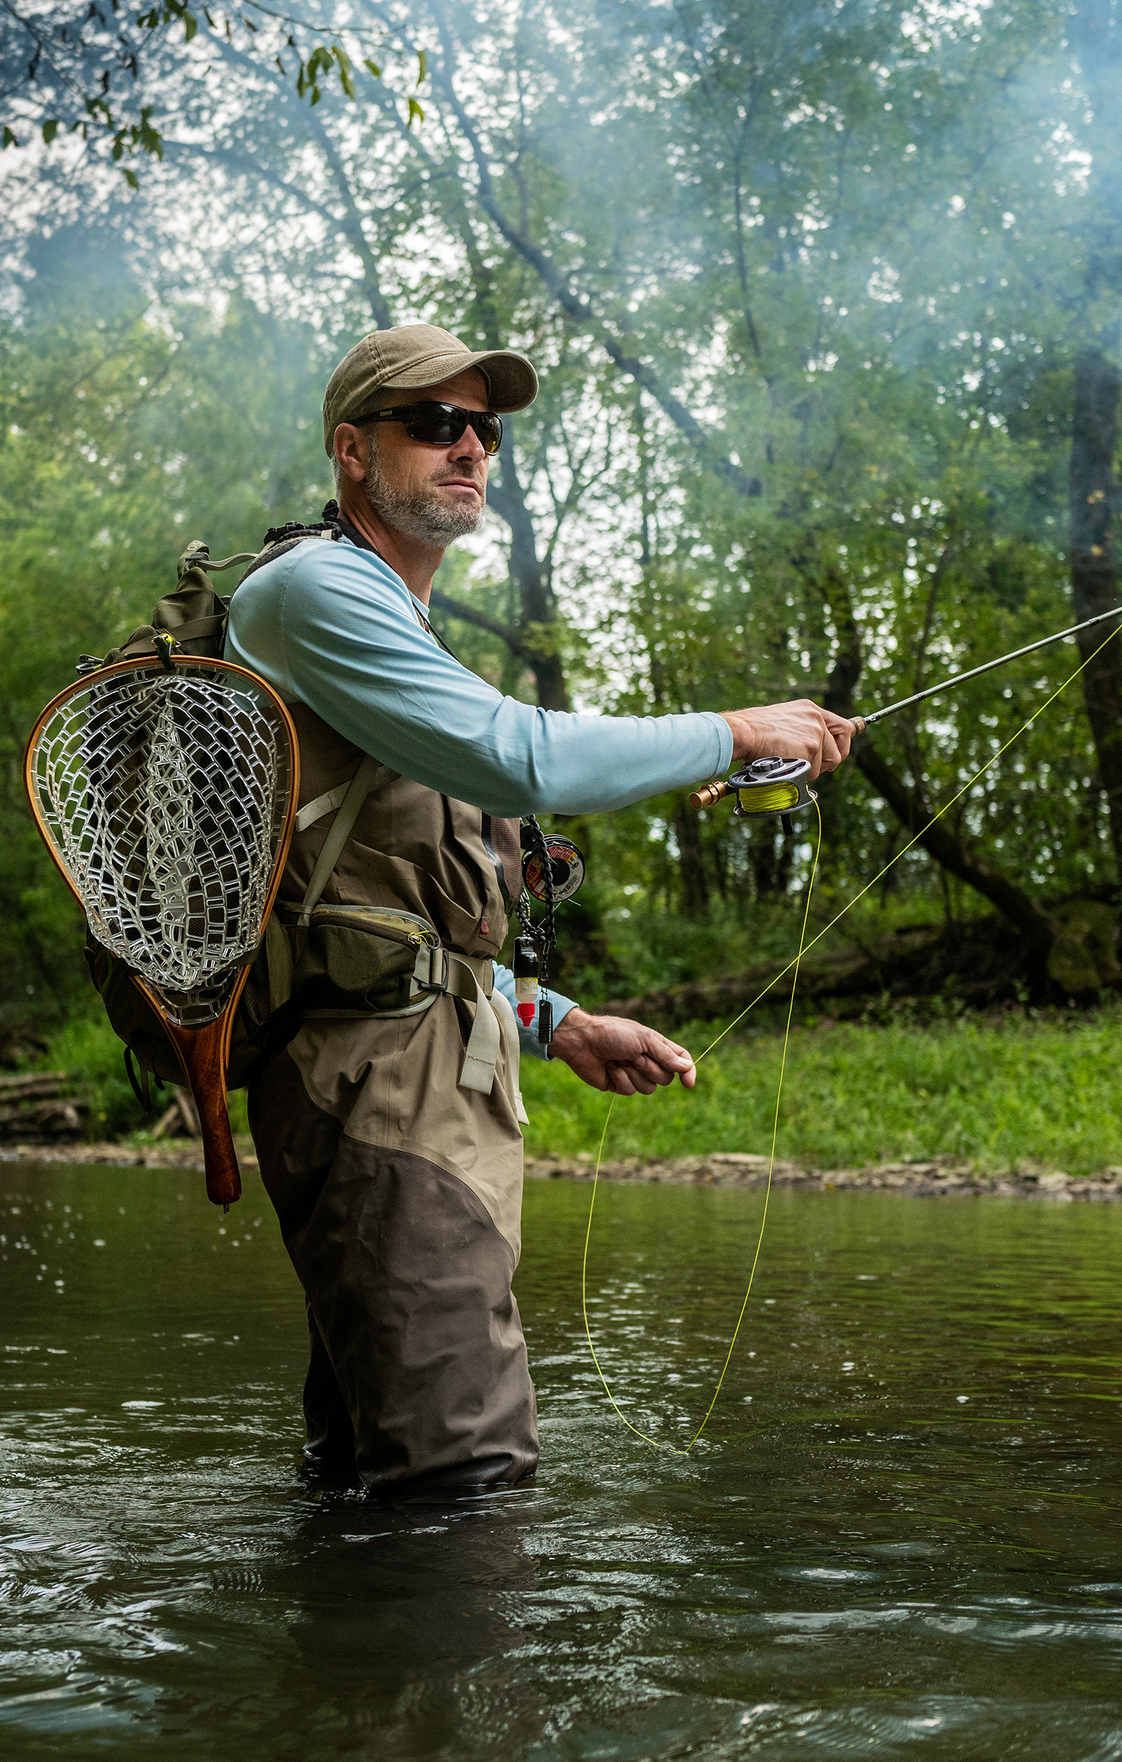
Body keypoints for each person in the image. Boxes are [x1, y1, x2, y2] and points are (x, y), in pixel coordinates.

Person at [224, 321, 858, 1497]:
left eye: (485, 428)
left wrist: (556, 1021)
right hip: (374, 1097)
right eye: (435, 423)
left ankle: (328, 1681)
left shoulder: (392, 622)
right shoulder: (313, 590)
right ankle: (430, 1685)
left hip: (420, 1082)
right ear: (352, 451)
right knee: (461, 1483)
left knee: (369, 1471)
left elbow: (394, 920)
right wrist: (737, 731)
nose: (469, 446)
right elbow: (523, 758)